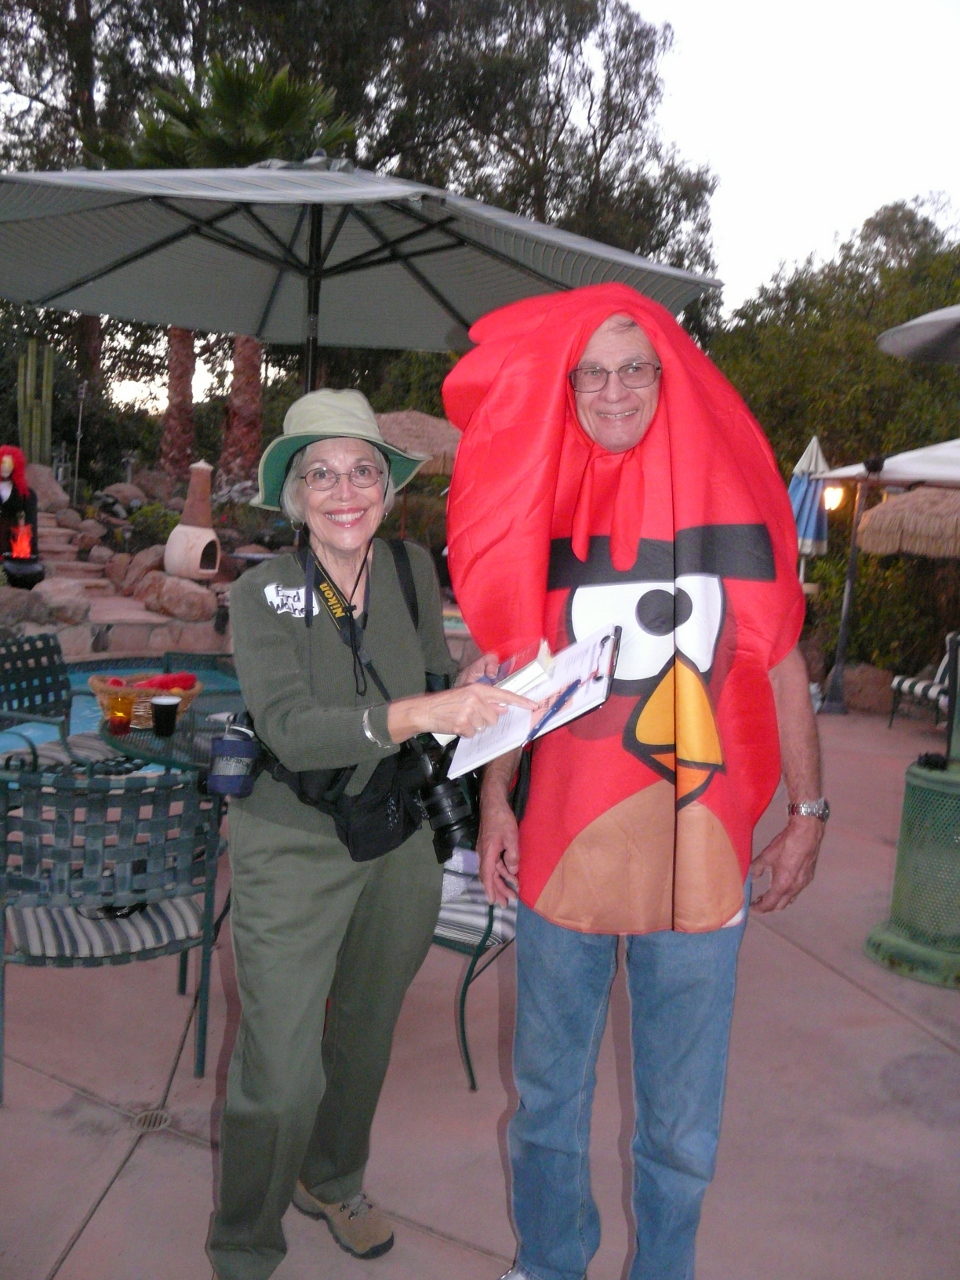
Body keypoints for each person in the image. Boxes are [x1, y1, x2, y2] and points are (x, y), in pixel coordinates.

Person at [443, 284, 826, 1280]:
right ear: (569, 388)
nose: (614, 390)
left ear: (669, 376)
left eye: (634, 367)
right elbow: (524, 668)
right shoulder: (550, 500)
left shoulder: (734, 500)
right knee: (546, 1104)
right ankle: (550, 1261)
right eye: (593, 372)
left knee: (680, 1123)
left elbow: (783, 660)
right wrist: (496, 804)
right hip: (567, 846)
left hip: (701, 855)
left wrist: (810, 813)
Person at [207, 389, 533, 1280]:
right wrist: (430, 704)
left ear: (386, 490)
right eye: (321, 472)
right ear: (294, 494)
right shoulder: (261, 589)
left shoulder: (408, 569)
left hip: (396, 837)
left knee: (365, 1030)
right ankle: (242, 1243)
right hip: (290, 841)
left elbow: (428, 675)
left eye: (362, 470)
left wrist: (465, 678)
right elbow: (290, 726)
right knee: (279, 1075)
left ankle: (333, 1176)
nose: (343, 489)